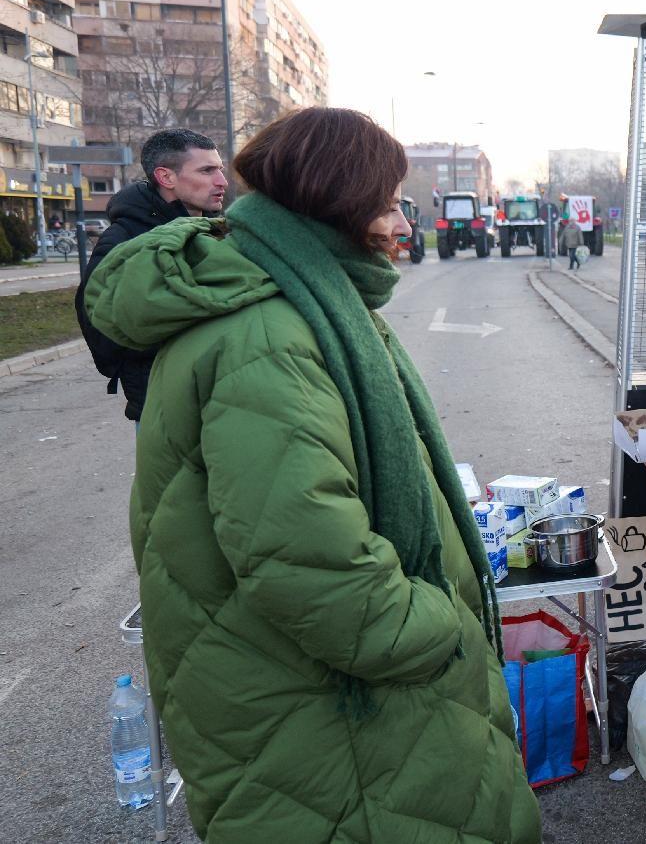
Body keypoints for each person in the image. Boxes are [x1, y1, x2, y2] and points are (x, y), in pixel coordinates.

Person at [84, 108, 540, 843]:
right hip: (325, 714)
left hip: (310, 697)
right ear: (342, 205)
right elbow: (311, 565)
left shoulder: (300, 297)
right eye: (388, 203)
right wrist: (441, 621)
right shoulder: (271, 334)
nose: (400, 223)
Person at [74, 128, 227, 422]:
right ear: (166, 177)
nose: (222, 181)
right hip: (163, 409)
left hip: (221, 402)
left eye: (219, 169)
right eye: (207, 170)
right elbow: (102, 328)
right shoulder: (126, 240)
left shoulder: (216, 231)